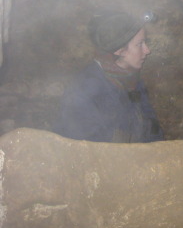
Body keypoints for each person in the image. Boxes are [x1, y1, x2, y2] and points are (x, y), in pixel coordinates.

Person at [55, 10, 164, 142]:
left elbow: (152, 128)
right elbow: (85, 145)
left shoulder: (132, 81)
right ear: (119, 50)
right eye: (139, 44)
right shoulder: (85, 89)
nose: (147, 51)